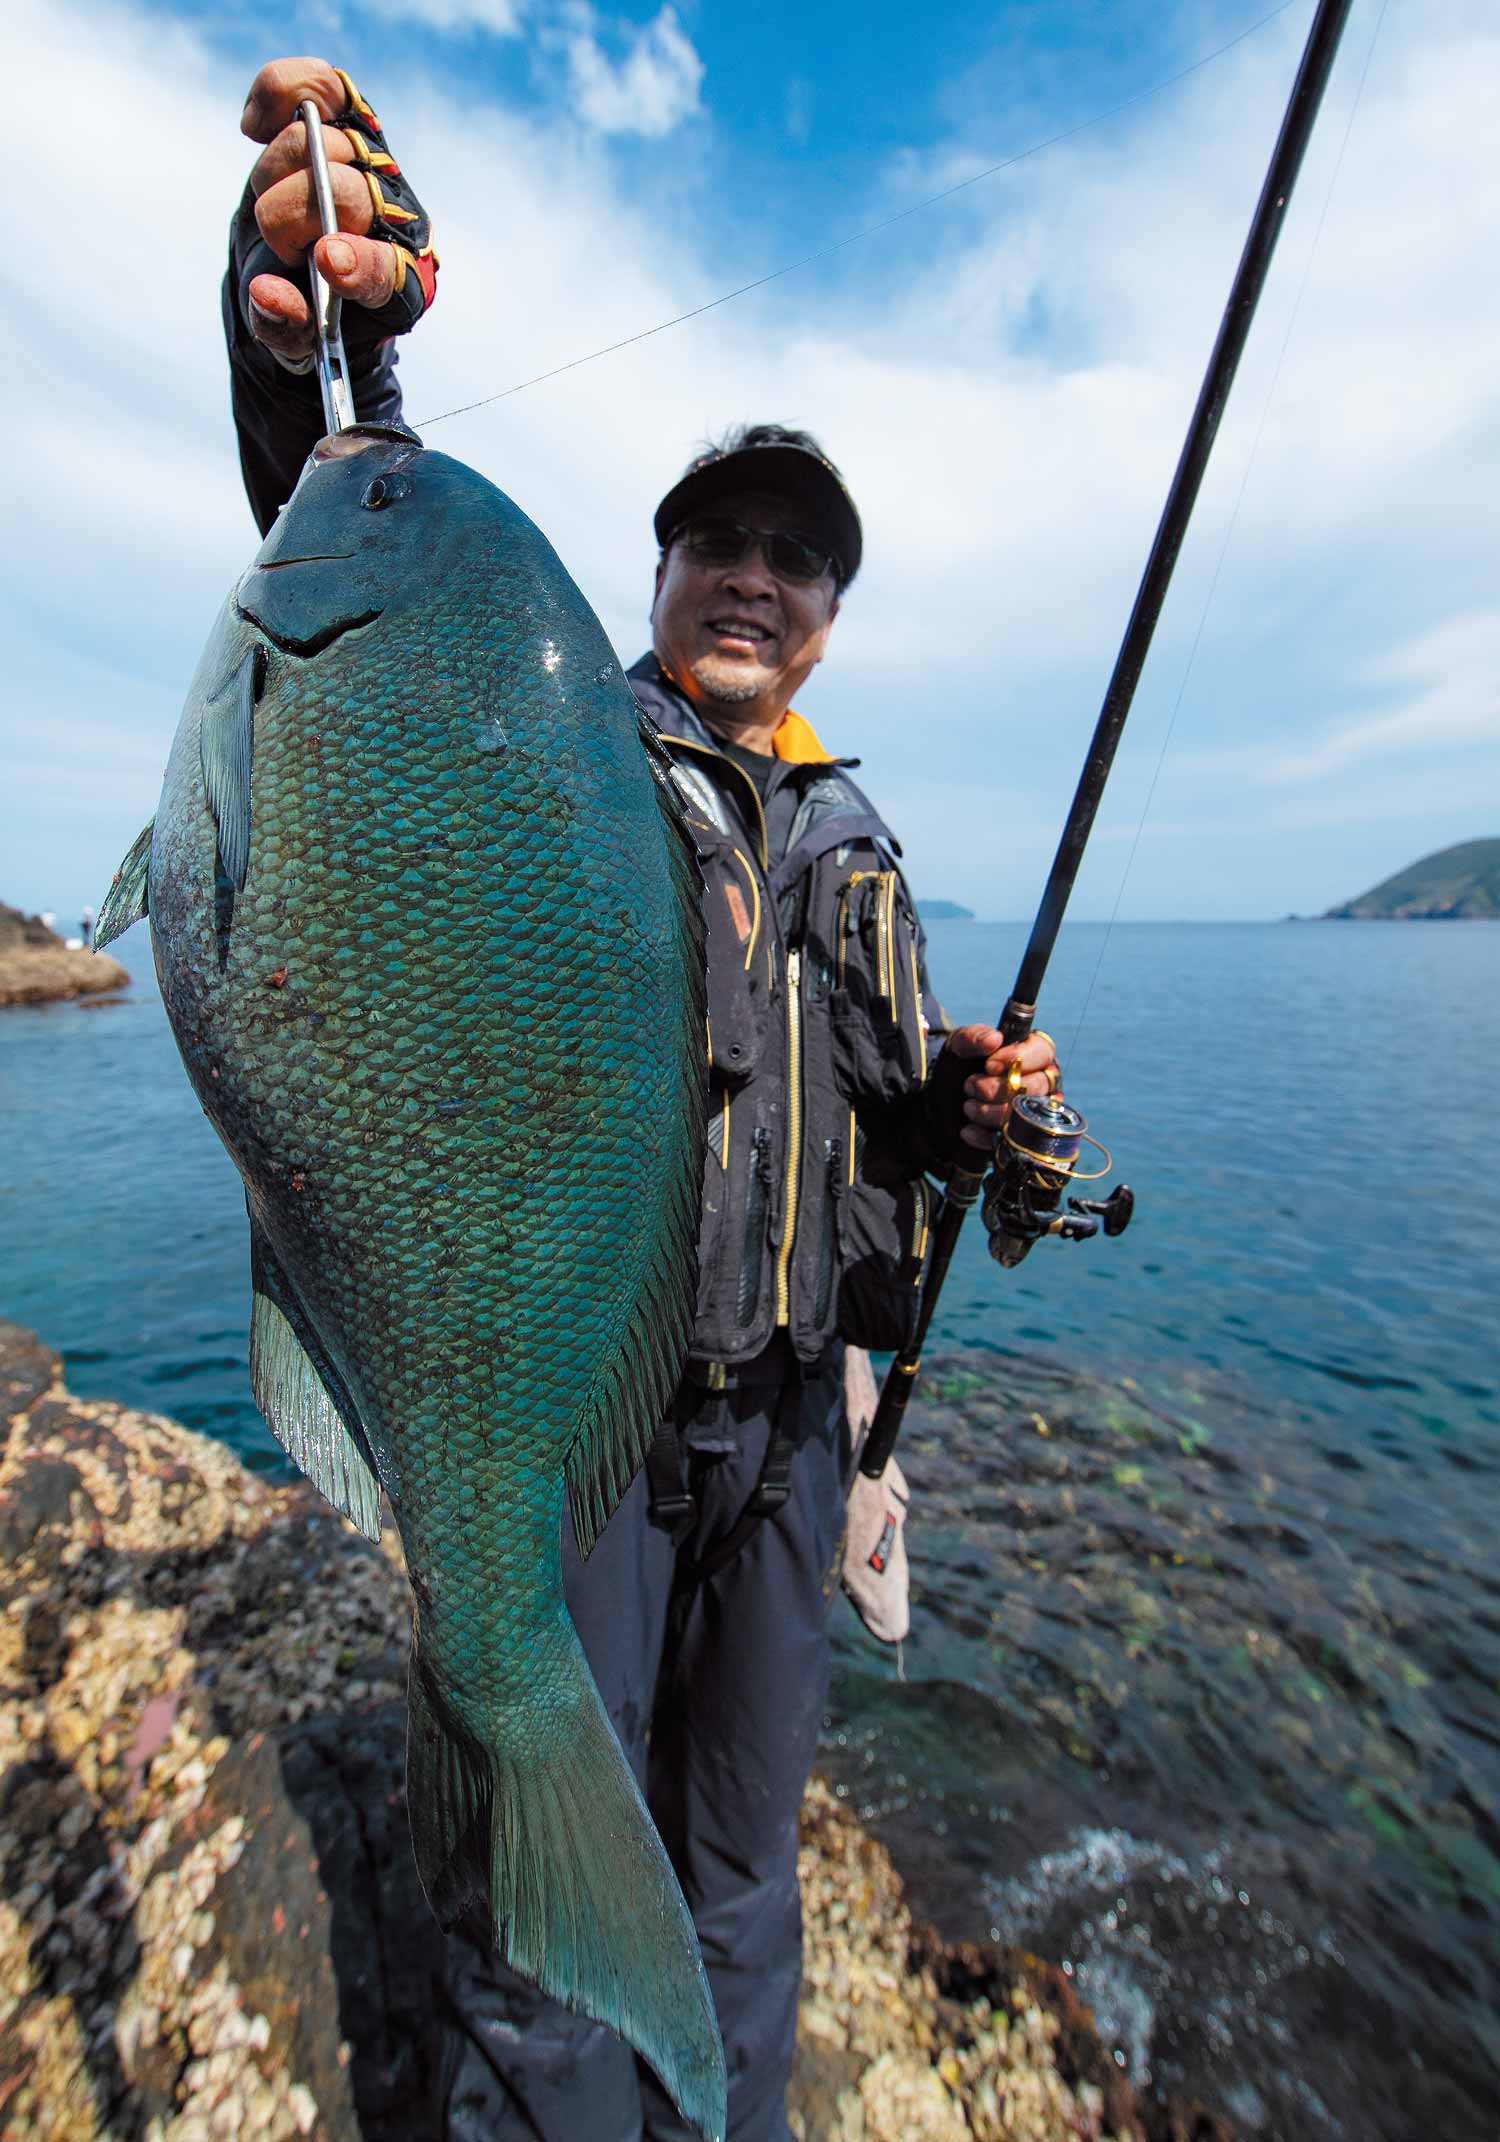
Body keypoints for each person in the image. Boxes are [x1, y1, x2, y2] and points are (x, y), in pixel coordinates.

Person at [223, 60, 1064, 2142]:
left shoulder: (861, 849)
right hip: (584, 1418)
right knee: (538, 1889)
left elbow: (943, 1167)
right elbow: (369, 646)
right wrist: (337, 377)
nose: (755, 579)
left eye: (798, 559)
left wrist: (991, 1118)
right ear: (662, 575)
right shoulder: (567, 751)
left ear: (832, 613)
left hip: (791, 1430)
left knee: (741, 1877)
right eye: (720, 545)